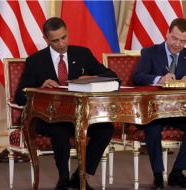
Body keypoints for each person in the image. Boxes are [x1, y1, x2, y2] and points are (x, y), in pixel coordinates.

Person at [15, 17, 118, 190]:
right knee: (59, 130)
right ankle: (63, 179)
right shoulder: (35, 61)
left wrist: (92, 78)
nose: (62, 43)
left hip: (79, 116)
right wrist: (39, 87)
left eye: (64, 37)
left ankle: (80, 176)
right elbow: (19, 96)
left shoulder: (82, 54)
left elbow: (112, 75)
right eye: (55, 40)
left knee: (106, 129)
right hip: (47, 118)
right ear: (46, 39)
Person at [132, 18, 186, 189]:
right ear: (167, 33)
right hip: (154, 111)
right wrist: (159, 79)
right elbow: (137, 77)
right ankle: (158, 176)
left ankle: (177, 173)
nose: (177, 44)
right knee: (152, 130)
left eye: (182, 41)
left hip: (177, 111)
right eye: (174, 38)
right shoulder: (150, 52)